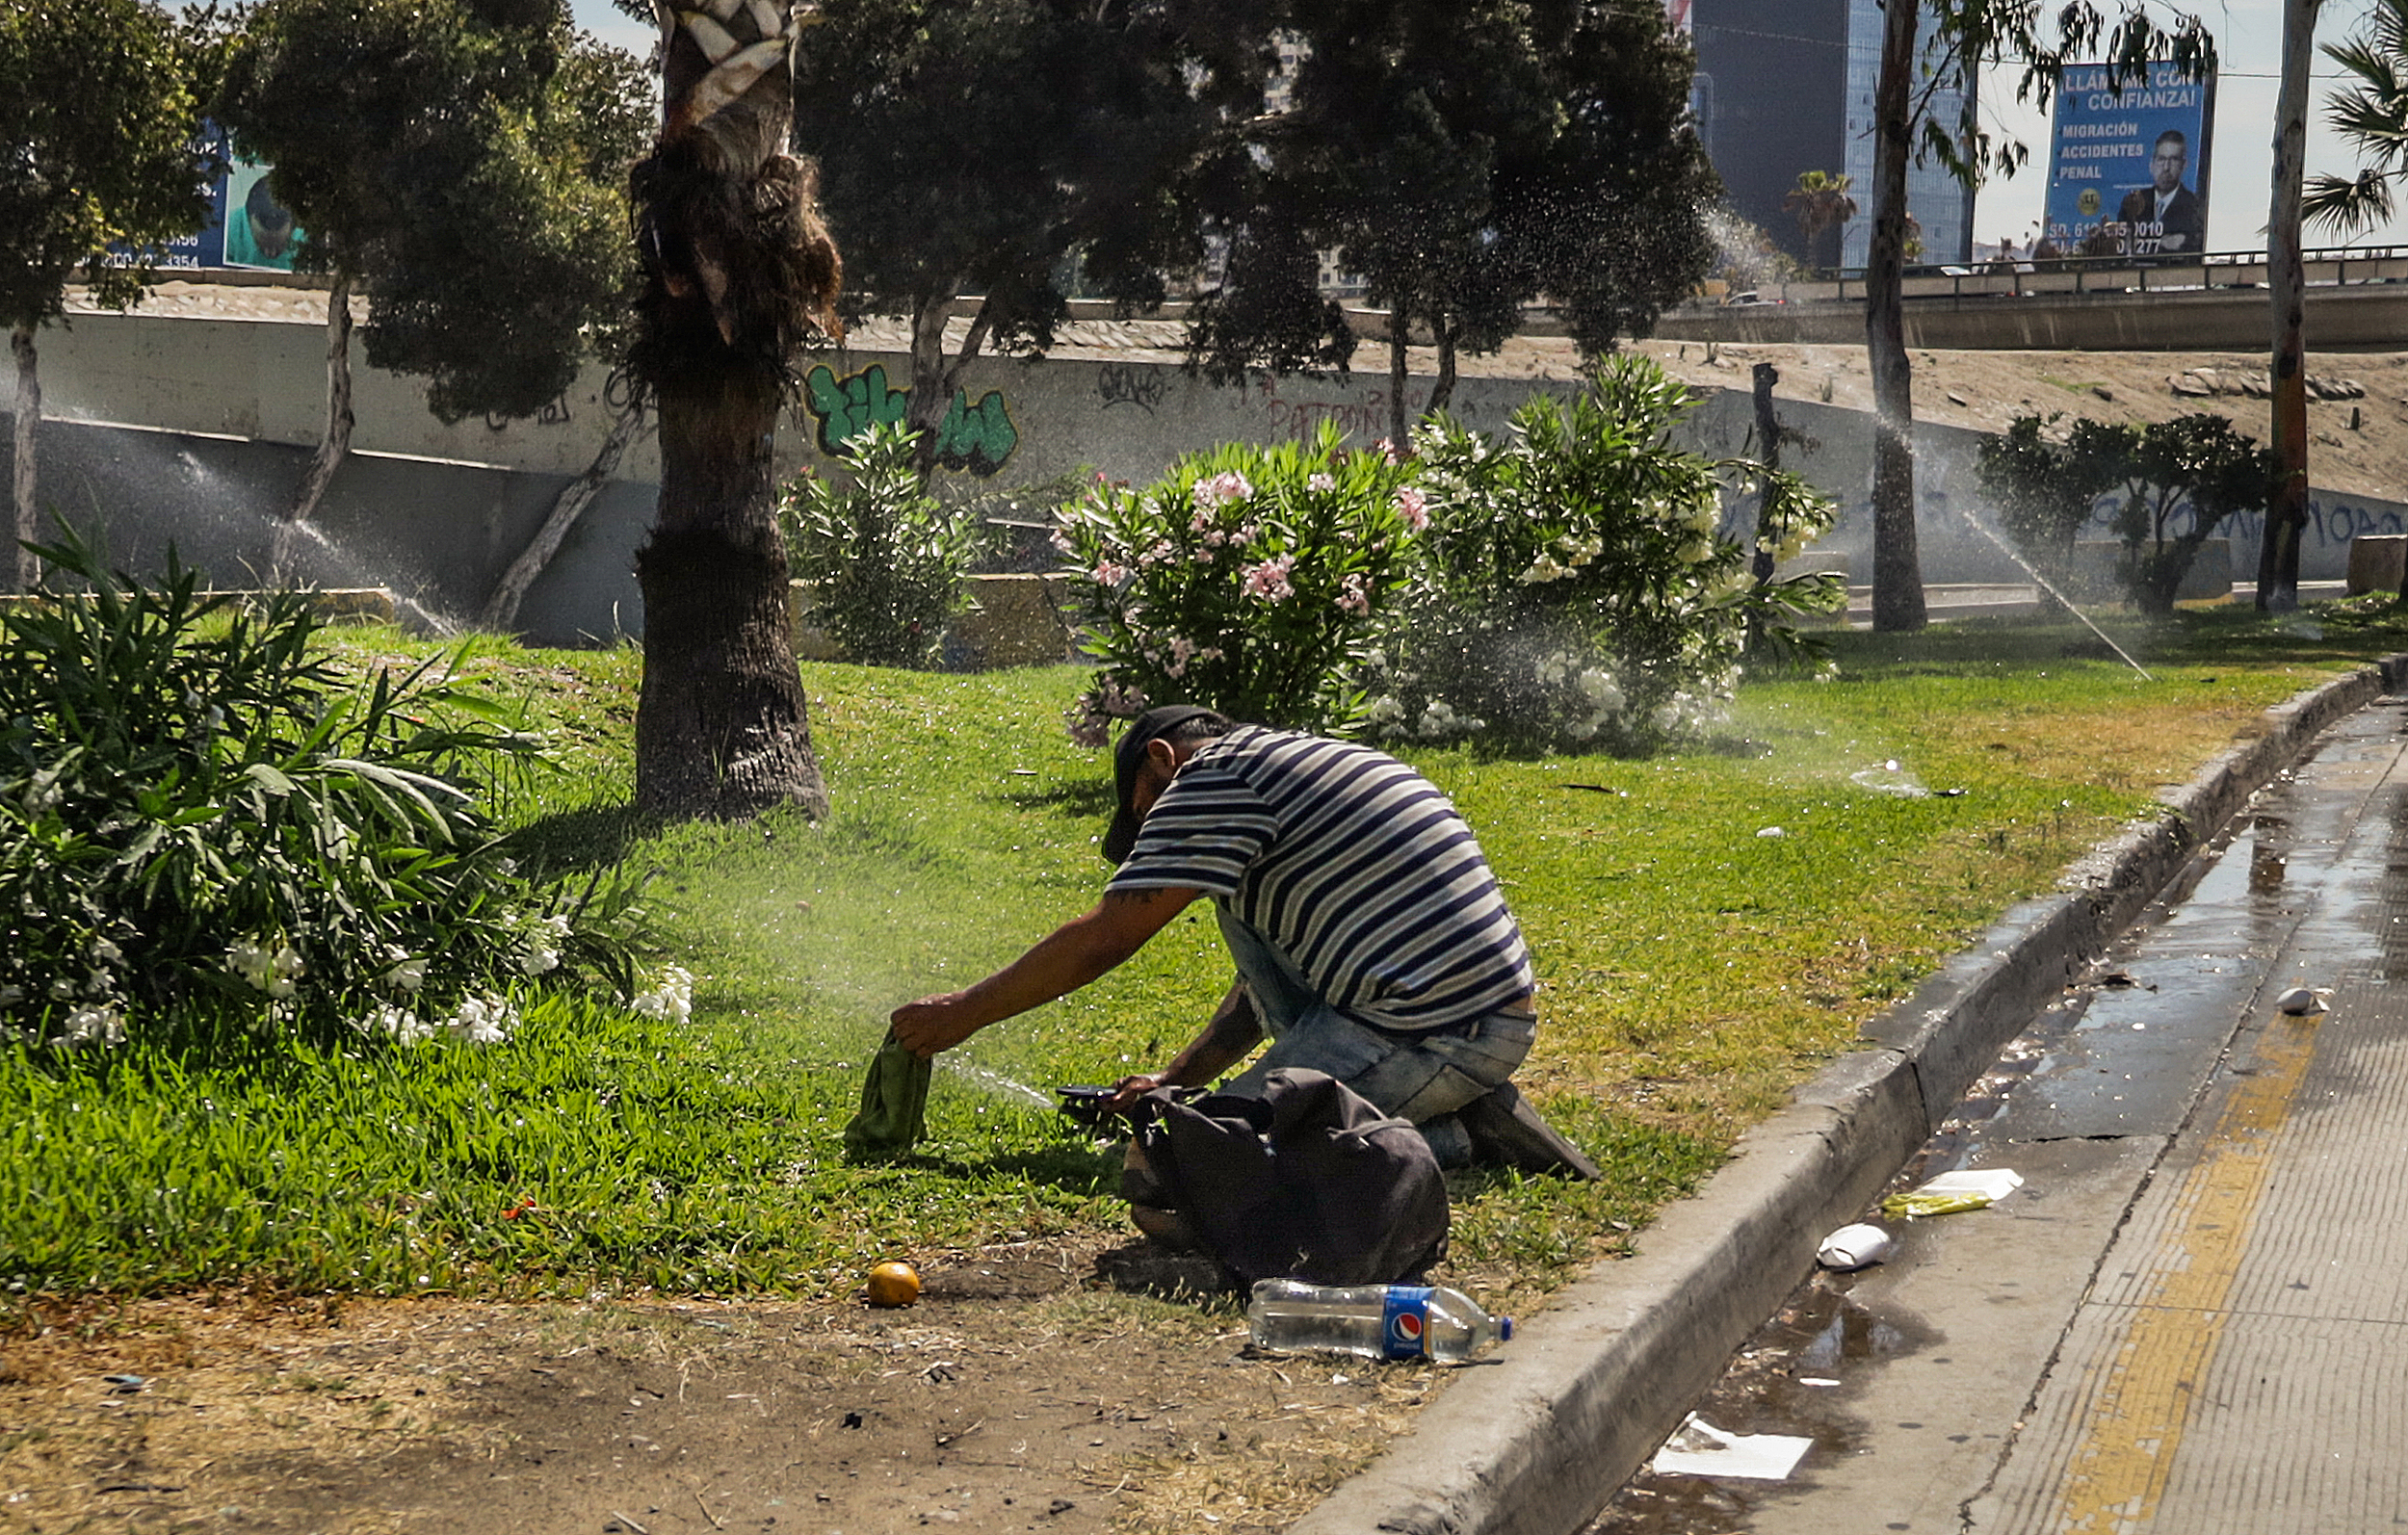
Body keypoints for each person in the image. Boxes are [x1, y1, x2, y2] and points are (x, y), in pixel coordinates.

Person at [889, 705, 1593, 1181]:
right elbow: (1263, 986)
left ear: (1160, 758)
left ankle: (1457, 1136)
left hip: (1436, 1028)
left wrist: (963, 1014)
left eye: (1141, 813)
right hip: (1434, 1008)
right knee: (1233, 913)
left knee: (1176, 1166)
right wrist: (1175, 1082)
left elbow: (1106, 938)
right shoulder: (1278, 765)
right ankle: (1438, 1103)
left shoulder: (1208, 777)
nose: (1149, 830)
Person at [2116, 131, 2204, 256]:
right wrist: (2161, 242)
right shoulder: (2132, 202)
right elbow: (2122, 244)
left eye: (2173, 160)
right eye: (2161, 159)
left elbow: (2192, 245)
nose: (2166, 167)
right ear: (2151, 165)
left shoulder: (2194, 206)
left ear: (2183, 166)